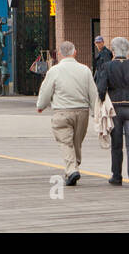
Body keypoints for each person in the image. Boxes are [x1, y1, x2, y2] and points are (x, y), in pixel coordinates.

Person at [35, 40, 98, 186]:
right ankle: (73, 167)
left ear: (59, 54)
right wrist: (96, 112)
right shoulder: (85, 70)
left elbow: (46, 91)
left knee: (65, 142)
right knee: (76, 142)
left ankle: (72, 170)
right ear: (75, 52)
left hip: (62, 112)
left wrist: (41, 106)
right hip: (82, 112)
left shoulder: (54, 71)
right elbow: (93, 93)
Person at [96, 37, 129, 187]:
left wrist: (101, 103)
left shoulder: (107, 66)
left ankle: (116, 176)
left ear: (113, 51)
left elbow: (101, 89)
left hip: (115, 107)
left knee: (116, 144)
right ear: (127, 50)